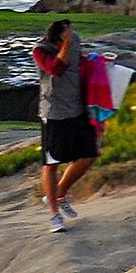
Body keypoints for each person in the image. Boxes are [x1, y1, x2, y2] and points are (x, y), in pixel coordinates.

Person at [32, 19, 97, 233]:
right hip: (54, 114)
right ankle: (54, 215)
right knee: (51, 164)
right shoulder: (40, 50)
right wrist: (66, 45)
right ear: (59, 35)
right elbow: (56, 69)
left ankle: (58, 193)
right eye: (69, 31)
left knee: (89, 156)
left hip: (78, 109)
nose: (74, 33)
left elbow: (80, 63)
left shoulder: (75, 40)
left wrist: (99, 63)